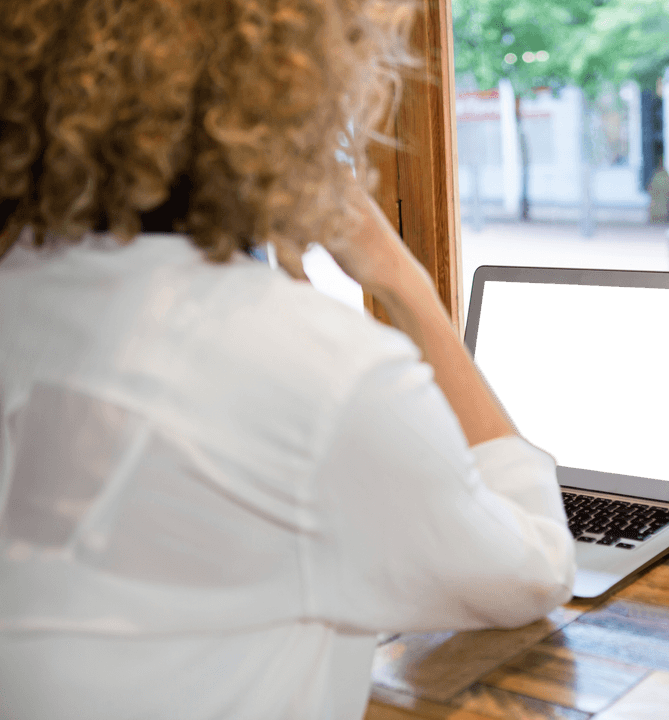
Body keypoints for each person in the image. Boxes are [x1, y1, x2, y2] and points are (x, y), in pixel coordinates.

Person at [0, 0, 575, 717]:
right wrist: (409, 289)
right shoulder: (325, 375)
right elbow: (533, 571)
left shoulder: (23, 289)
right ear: (292, 87)